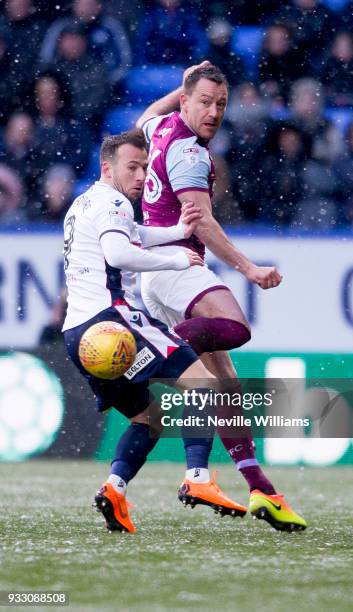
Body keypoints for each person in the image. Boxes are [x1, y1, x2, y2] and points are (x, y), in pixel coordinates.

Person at [135, 62, 306, 530]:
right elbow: (202, 221)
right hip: (177, 266)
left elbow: (144, 116)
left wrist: (182, 89)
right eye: (204, 102)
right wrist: (249, 269)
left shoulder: (163, 126)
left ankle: (259, 488)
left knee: (224, 384)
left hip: (156, 271)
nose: (213, 112)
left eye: (221, 104)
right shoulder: (190, 152)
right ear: (188, 102)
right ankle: (155, 349)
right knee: (234, 326)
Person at [62, 129, 250, 534]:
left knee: (150, 416)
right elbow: (118, 252)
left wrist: (176, 233)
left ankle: (114, 487)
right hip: (112, 322)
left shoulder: (84, 203)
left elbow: (132, 235)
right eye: (132, 166)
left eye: (144, 166)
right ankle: (198, 478)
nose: (140, 174)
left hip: (78, 336)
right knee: (204, 384)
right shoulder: (113, 200)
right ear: (106, 168)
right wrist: (175, 263)